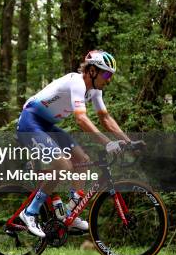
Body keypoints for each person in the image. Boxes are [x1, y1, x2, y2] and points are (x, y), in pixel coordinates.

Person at [16, 50, 132, 237]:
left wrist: (128, 142)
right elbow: (81, 119)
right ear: (92, 71)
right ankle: (29, 213)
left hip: (46, 125)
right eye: (107, 74)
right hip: (30, 122)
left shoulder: (95, 91)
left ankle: (67, 214)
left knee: (82, 161)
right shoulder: (77, 82)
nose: (109, 79)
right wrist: (108, 143)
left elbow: (105, 118)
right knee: (63, 165)